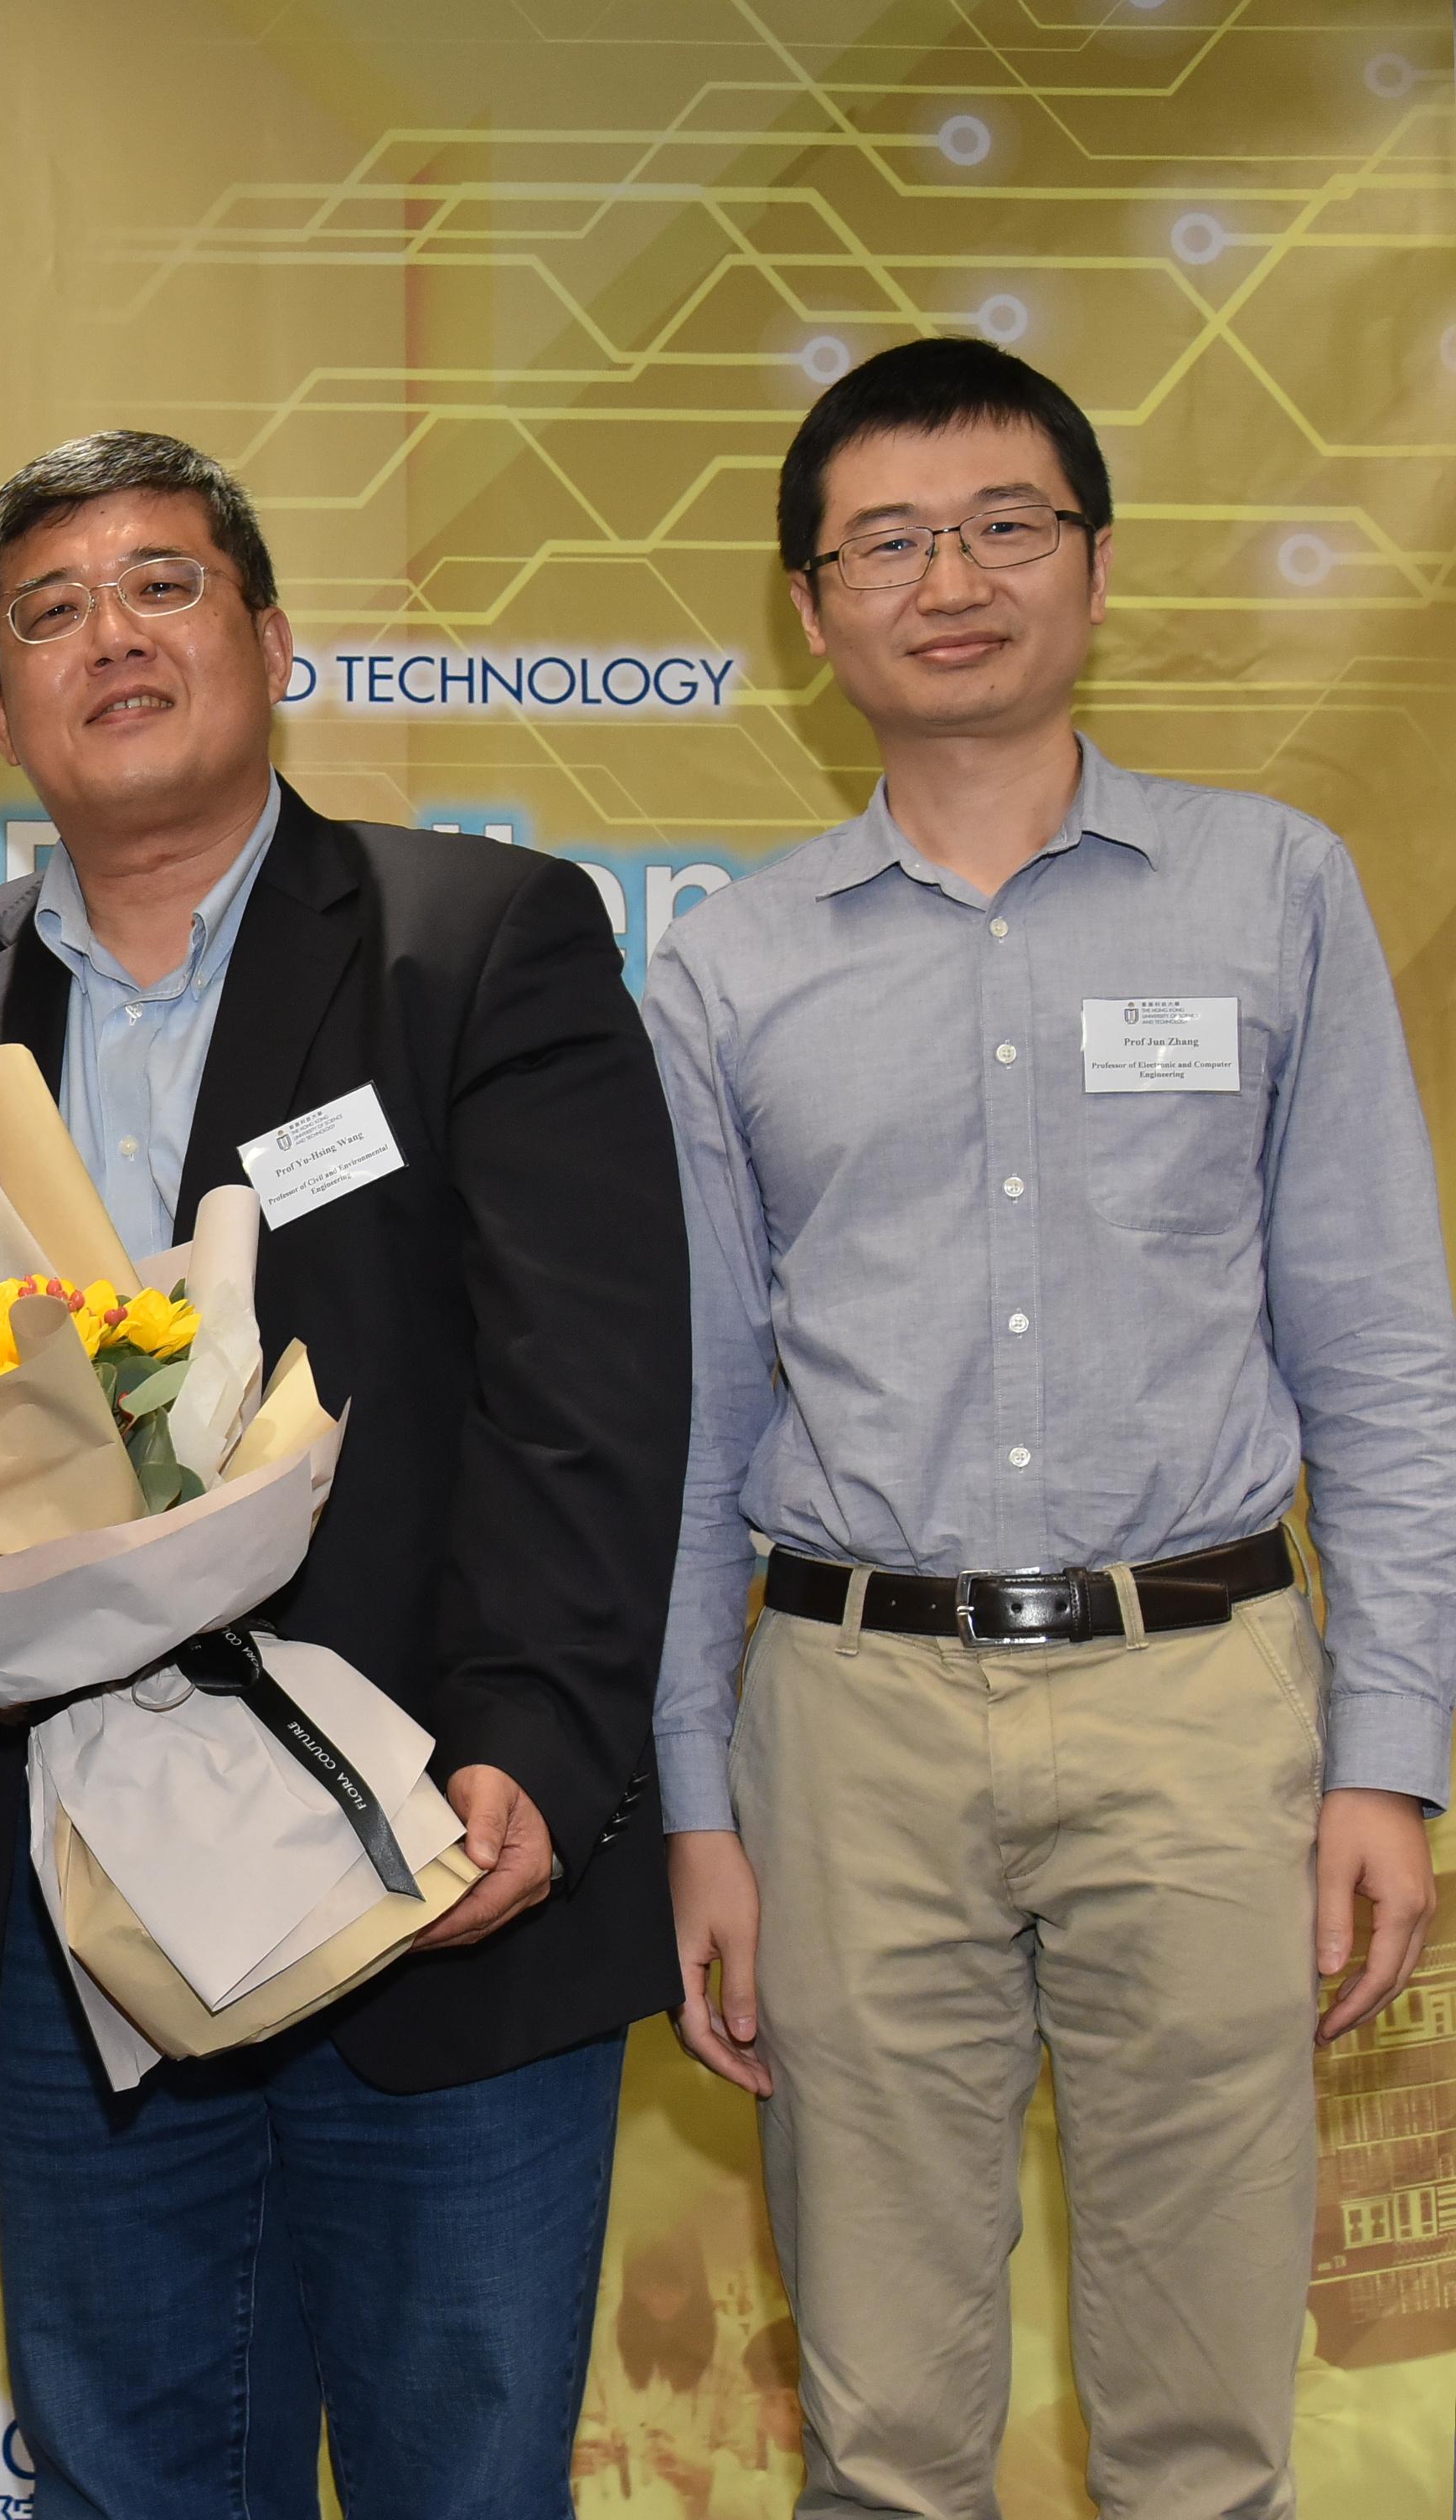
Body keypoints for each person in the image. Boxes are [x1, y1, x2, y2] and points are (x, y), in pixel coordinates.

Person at [0, 431, 690, 2514]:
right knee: (132, 2476)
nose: (108, 638)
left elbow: (584, 1389)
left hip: (427, 1857)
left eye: (161, 586)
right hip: (59, 1890)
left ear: (269, 637)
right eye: (48, 613)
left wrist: (538, 1751)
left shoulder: (479, 938)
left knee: (459, 2476)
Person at [647, 333, 1450, 2514]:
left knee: (1203, 2429)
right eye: (885, 541)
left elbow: (1384, 1357)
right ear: (810, 614)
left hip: (1205, 1707)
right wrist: (691, 1803)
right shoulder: (727, 971)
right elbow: (694, 1424)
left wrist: (1389, 1754)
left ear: (1093, 567)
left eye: (1007, 525)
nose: (952, 577)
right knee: (890, 2437)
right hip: (848, 1727)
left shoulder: (1270, 891)